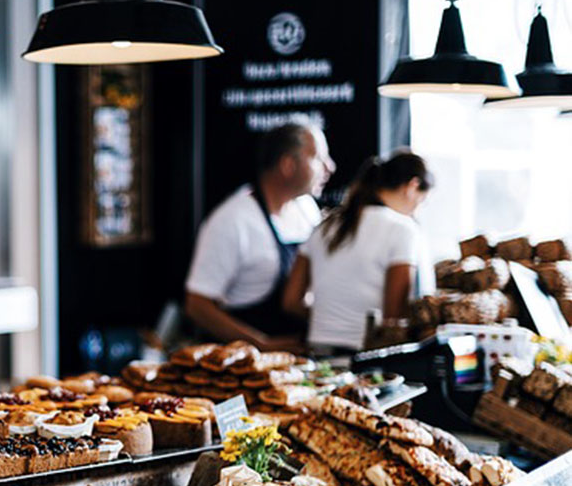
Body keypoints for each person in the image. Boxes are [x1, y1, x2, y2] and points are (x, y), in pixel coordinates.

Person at [185, 122, 336, 351]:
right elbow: (197, 306)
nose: (330, 167)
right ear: (288, 165)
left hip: (300, 360)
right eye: (317, 158)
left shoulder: (306, 209)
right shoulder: (232, 221)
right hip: (243, 366)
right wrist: (261, 345)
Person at [282, 151, 435, 353]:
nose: (417, 209)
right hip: (367, 357)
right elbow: (394, 317)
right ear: (412, 187)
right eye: (422, 201)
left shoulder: (324, 226)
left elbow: (291, 301)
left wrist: (331, 320)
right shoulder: (403, 229)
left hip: (318, 352)